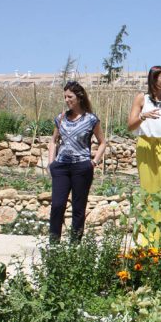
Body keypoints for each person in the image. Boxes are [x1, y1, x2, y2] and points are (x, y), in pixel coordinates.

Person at [47, 80, 105, 241]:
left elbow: (102, 142)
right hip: (61, 167)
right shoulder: (60, 118)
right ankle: (53, 244)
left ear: (79, 97)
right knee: (57, 205)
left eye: (69, 96)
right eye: (65, 97)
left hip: (82, 167)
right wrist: (51, 163)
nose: (66, 100)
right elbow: (53, 140)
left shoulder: (91, 119)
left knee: (78, 208)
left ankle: (74, 247)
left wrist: (94, 162)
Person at [128, 66, 161, 243]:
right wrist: (143, 116)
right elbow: (130, 126)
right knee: (150, 191)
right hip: (146, 145)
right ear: (154, 79)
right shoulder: (142, 98)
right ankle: (149, 237)